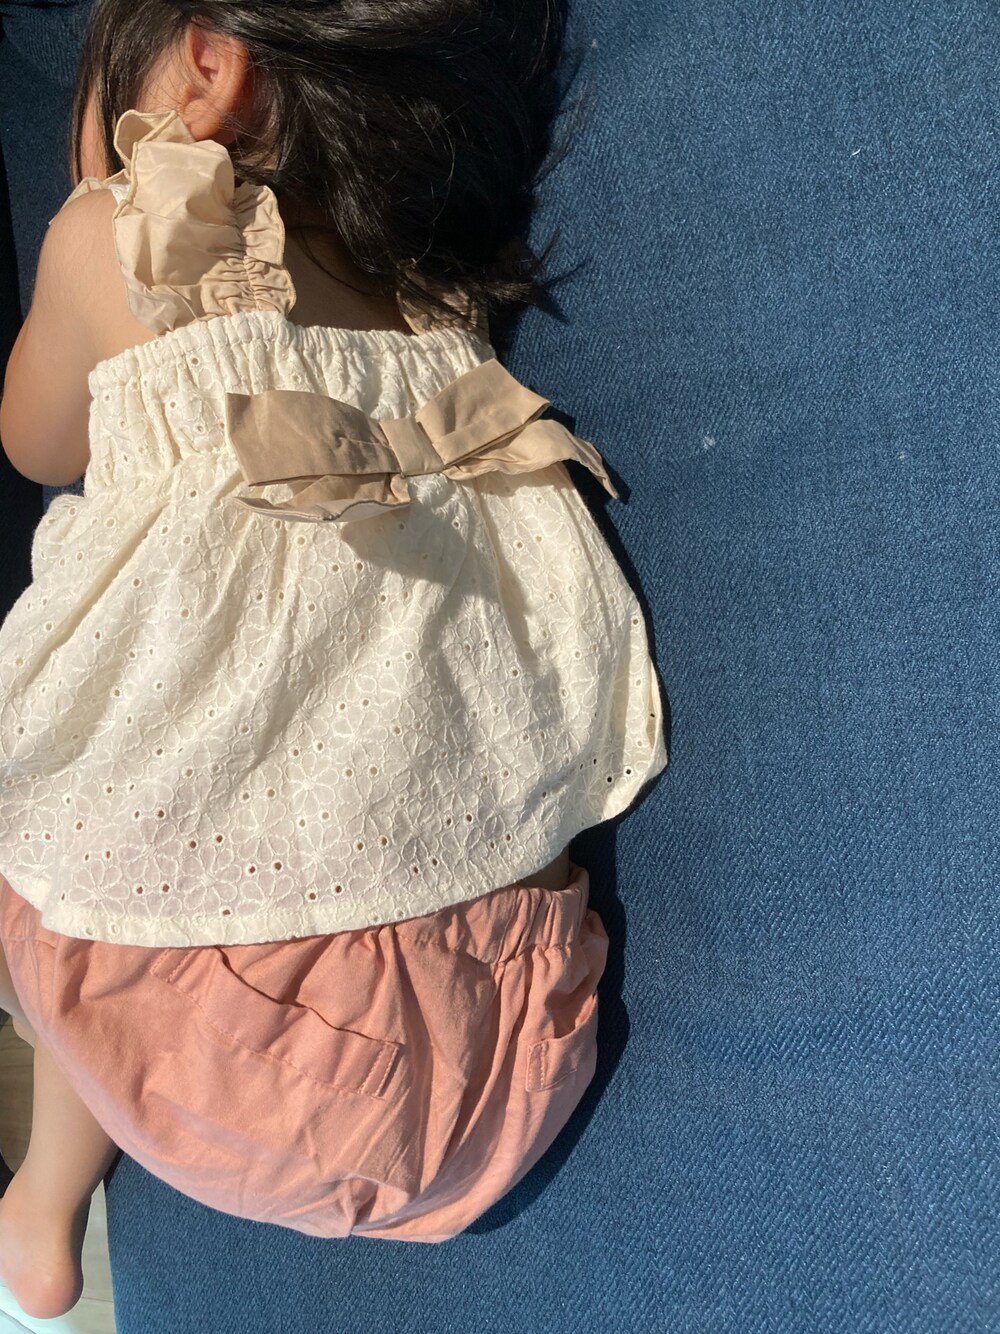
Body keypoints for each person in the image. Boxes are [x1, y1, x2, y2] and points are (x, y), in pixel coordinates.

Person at [0, 0, 667, 1320]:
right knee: (119, 829)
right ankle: (45, 1193)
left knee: (78, 820)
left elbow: (34, 441)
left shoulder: (118, 235)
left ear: (205, 66)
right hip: (500, 1054)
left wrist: (81, 249)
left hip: (222, 1056)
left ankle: (47, 1196)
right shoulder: (439, 310)